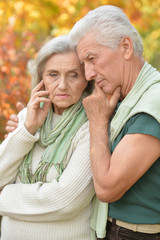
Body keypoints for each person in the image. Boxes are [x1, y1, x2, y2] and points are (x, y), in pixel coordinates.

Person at [68, 5, 160, 240]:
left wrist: (98, 123)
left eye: (92, 59)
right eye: (84, 64)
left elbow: (107, 188)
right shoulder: (122, 97)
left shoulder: (154, 101)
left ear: (126, 47)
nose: (88, 73)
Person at [0, 35, 96, 240]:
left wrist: (4, 197)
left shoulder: (93, 125)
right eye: (53, 75)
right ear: (41, 79)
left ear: (86, 80)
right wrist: (27, 130)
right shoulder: (27, 117)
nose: (62, 85)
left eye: (73, 75)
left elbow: (66, 201)